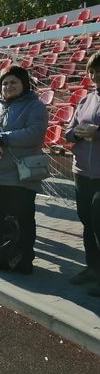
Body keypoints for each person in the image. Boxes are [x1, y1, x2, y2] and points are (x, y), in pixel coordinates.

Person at [0, 65, 48, 274]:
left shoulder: (34, 106)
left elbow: (35, 133)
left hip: (20, 177)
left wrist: (1, 139)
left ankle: (21, 261)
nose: (8, 86)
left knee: (22, 221)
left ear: (24, 84)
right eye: (4, 83)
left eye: (13, 82)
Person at [65, 52, 100, 293]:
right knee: (87, 221)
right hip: (81, 171)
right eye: (93, 71)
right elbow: (69, 131)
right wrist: (76, 133)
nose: (96, 75)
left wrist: (97, 134)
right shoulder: (85, 99)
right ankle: (93, 267)